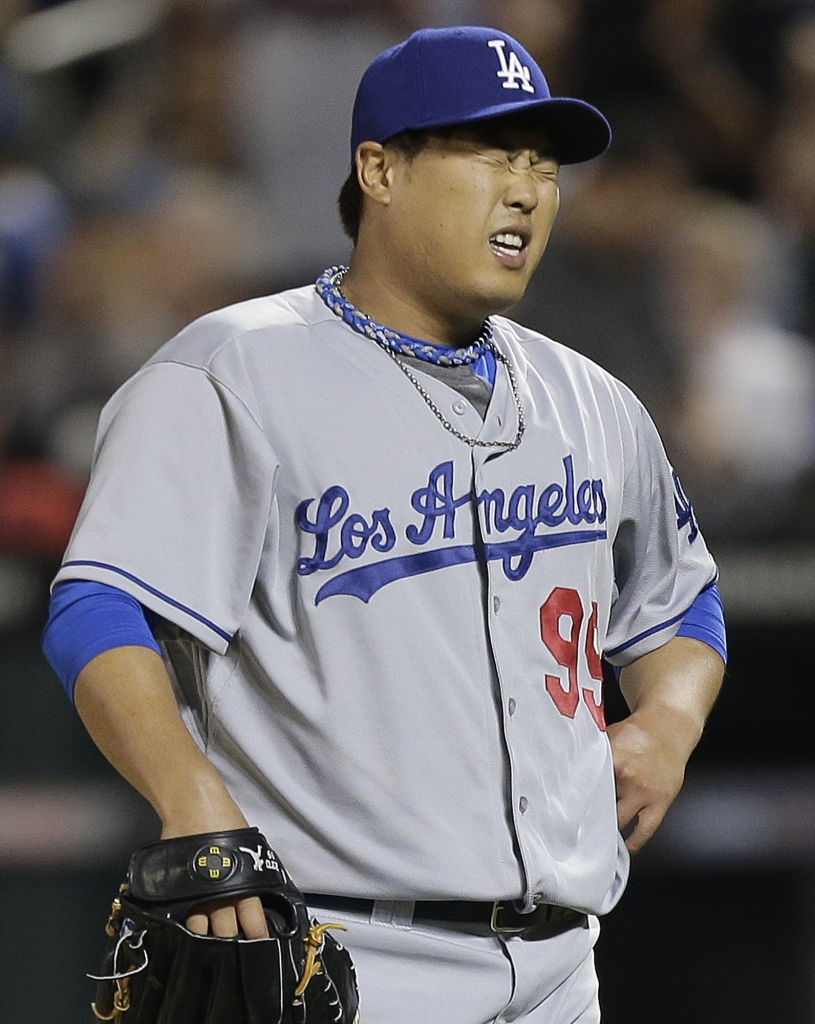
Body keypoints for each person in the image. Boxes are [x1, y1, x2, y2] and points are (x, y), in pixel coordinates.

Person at [42, 26, 727, 1024]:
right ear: (381, 169)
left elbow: (683, 601)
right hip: (344, 955)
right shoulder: (233, 370)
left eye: (544, 161)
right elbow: (100, 606)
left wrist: (668, 721)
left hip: (563, 968)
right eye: (490, 152)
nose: (527, 188)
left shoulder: (596, 402)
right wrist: (190, 798)